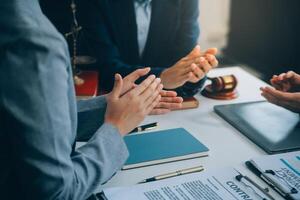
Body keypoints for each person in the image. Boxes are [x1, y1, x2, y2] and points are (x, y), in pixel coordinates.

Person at [0, 1, 181, 199]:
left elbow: (17, 125)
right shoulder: (33, 43)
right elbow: (59, 192)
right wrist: (115, 128)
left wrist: (111, 107)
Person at [78, 0, 219, 98]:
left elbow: (184, 62)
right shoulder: (94, 3)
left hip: (169, 108)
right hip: (112, 106)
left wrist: (195, 72)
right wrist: (161, 78)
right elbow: (105, 70)